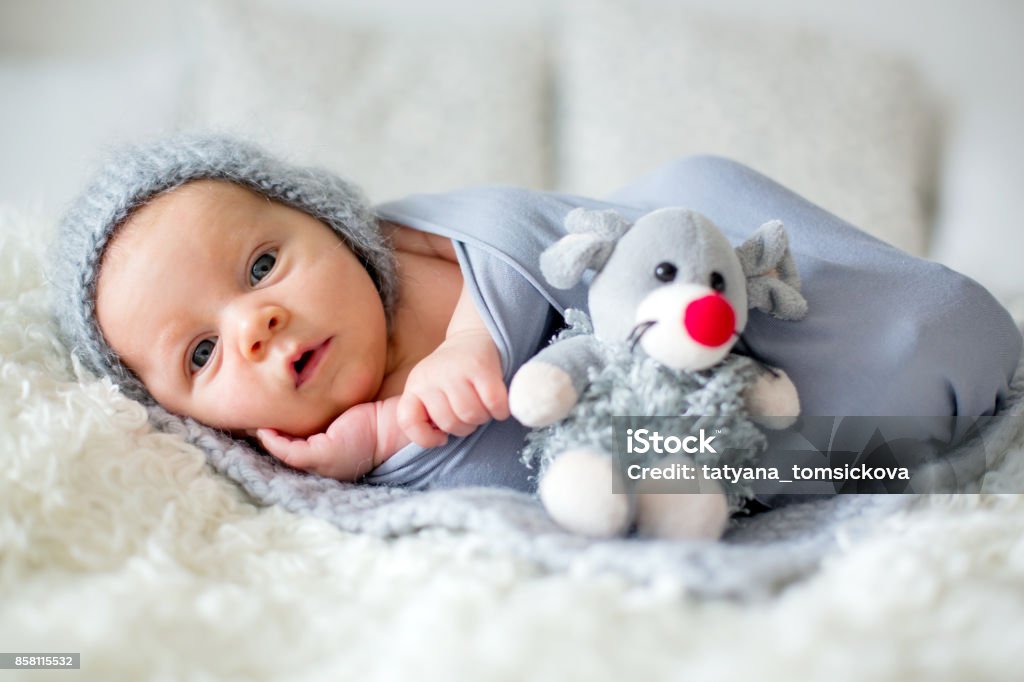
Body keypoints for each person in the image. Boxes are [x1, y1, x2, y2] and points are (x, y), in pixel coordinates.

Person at [50, 133, 1023, 497]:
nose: (255, 322)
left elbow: (523, 230)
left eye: (262, 262)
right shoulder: (329, 453)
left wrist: (473, 338)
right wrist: (381, 433)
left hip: (684, 258)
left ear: (334, 225)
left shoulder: (413, 245)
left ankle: (933, 327)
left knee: (906, 334)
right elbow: (508, 464)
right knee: (813, 431)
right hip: (683, 417)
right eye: (204, 352)